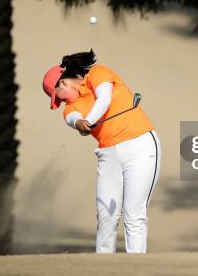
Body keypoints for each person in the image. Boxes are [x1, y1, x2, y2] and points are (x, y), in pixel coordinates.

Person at [42, 49, 162, 253]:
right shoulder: (70, 108)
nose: (60, 101)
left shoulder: (97, 73)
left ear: (62, 83)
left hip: (140, 145)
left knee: (134, 213)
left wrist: (88, 120)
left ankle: (138, 269)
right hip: (108, 155)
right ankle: (103, 268)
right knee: (106, 215)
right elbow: (72, 119)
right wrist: (79, 122)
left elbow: (104, 99)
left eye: (58, 96)